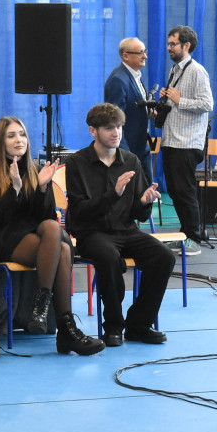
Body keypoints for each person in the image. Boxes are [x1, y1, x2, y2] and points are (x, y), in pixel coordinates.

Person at [0, 116, 103, 356]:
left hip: (35, 235)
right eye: (11, 136)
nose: (19, 140)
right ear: (0, 142)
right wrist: (14, 189)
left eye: (22, 134)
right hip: (1, 238)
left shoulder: (35, 171)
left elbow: (46, 217)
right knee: (62, 247)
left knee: (55, 233)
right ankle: (65, 329)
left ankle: (42, 307)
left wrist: (42, 188)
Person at [65, 102, 174, 347]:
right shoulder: (77, 163)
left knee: (164, 257)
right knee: (108, 257)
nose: (116, 133)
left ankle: (139, 325)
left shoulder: (131, 161)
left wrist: (144, 202)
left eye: (119, 127)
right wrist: (112, 194)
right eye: (109, 128)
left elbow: (139, 214)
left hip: (126, 231)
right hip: (93, 233)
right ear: (93, 131)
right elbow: (79, 212)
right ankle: (113, 326)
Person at [157, 25, 213, 251]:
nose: (169, 48)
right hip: (171, 139)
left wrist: (180, 100)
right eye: (168, 44)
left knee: (185, 190)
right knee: (174, 190)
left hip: (187, 142)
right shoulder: (175, 70)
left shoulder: (197, 71)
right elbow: (175, 102)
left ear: (186, 45)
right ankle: (184, 235)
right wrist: (166, 99)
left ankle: (194, 239)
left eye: (173, 44)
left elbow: (207, 104)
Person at [103, 37, 155, 181]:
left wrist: (147, 112)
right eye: (140, 53)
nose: (145, 56)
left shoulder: (134, 76)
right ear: (125, 56)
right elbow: (113, 121)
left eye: (145, 51)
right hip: (129, 151)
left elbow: (131, 109)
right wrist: (125, 155)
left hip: (141, 148)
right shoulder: (118, 80)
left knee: (147, 190)